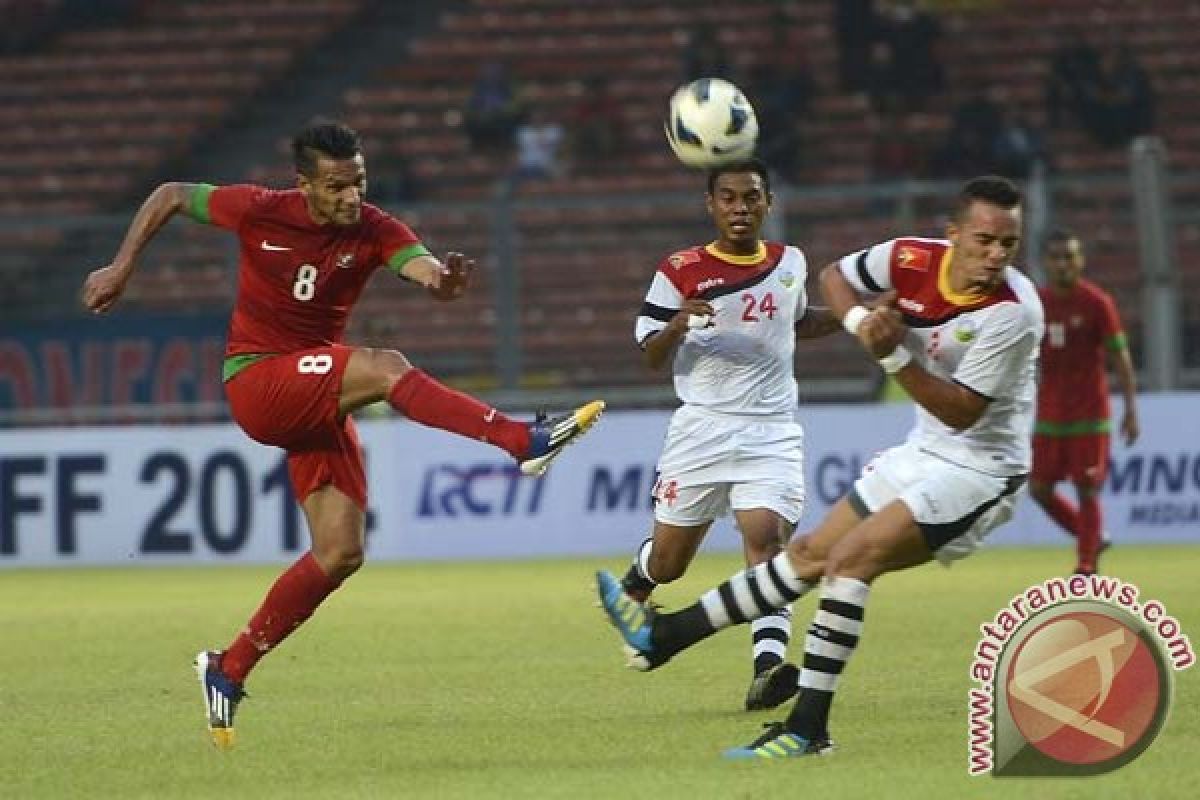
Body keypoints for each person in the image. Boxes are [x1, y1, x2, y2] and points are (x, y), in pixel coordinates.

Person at [80, 119, 604, 749]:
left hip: (314, 392)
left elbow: (421, 266)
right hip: (258, 381)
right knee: (387, 368)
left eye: (358, 181)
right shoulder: (261, 209)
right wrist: (121, 266)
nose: (350, 196)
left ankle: (229, 666)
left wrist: (443, 283)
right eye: (335, 186)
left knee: (340, 553)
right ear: (304, 185)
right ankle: (521, 441)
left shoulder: (375, 227)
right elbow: (169, 193)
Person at [597, 175, 1043, 759]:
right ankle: (666, 635)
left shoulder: (1013, 314)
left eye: (1008, 245)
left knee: (847, 562)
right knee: (806, 555)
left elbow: (960, 413)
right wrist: (861, 323)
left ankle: (808, 728)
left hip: (982, 469)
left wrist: (887, 353)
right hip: (918, 453)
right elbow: (837, 278)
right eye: (984, 240)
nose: (996, 256)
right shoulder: (909, 257)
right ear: (953, 234)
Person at [620, 158, 840, 712]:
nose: (740, 208)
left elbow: (796, 323)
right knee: (671, 563)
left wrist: (855, 314)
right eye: (728, 198)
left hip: (770, 431)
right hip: (702, 431)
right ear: (710, 205)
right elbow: (649, 356)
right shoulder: (679, 270)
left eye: (751, 197)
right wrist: (675, 325)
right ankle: (641, 576)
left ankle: (768, 668)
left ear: (769, 203)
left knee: (766, 541)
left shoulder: (789, 262)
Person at [1030, 229, 1138, 575]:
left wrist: (1131, 410)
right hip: (1049, 415)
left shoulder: (1096, 303)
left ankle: (1086, 564)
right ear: (1046, 263)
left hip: (1089, 414)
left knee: (1087, 488)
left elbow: (1120, 359)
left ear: (1080, 261)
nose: (1063, 264)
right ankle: (1089, 537)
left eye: (1069, 257)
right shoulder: (1037, 304)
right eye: (1056, 257)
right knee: (1039, 488)